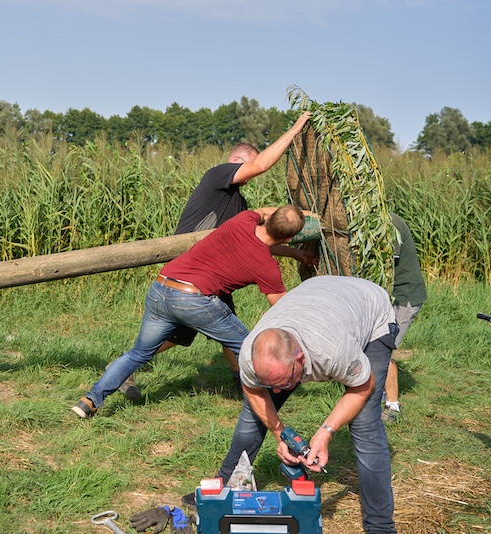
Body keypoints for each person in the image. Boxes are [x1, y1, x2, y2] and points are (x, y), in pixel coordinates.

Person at [115, 112, 314, 400]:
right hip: (192, 270)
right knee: (220, 330)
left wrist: (295, 253)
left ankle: (238, 380)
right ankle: (245, 383)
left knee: (192, 332)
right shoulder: (218, 175)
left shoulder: (239, 203)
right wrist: (294, 130)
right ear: (236, 161)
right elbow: (260, 165)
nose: (251, 177)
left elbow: (259, 242)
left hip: (209, 273)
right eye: (247, 168)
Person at [190, 275, 398, 533]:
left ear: (300, 359)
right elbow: (253, 390)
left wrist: (325, 433)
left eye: (284, 382)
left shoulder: (333, 351)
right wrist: (279, 433)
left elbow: (363, 386)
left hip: (370, 310)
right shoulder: (249, 354)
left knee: (365, 423)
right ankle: (221, 489)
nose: (277, 391)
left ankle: (380, 526)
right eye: (271, 383)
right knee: (252, 416)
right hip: (315, 297)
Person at [72, 204, 306, 419]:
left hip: (161, 286)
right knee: (248, 347)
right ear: (289, 238)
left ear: (270, 218)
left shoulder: (243, 220)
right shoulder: (267, 266)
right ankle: (263, 407)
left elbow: (264, 211)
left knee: (138, 354)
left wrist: (291, 216)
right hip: (193, 300)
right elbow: (281, 306)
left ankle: (89, 401)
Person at [382, 212, 427, 423]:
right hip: (391, 296)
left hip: (403, 297)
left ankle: (392, 406)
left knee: (382, 350)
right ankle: (375, 394)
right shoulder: (383, 219)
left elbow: (387, 263)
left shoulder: (390, 224)